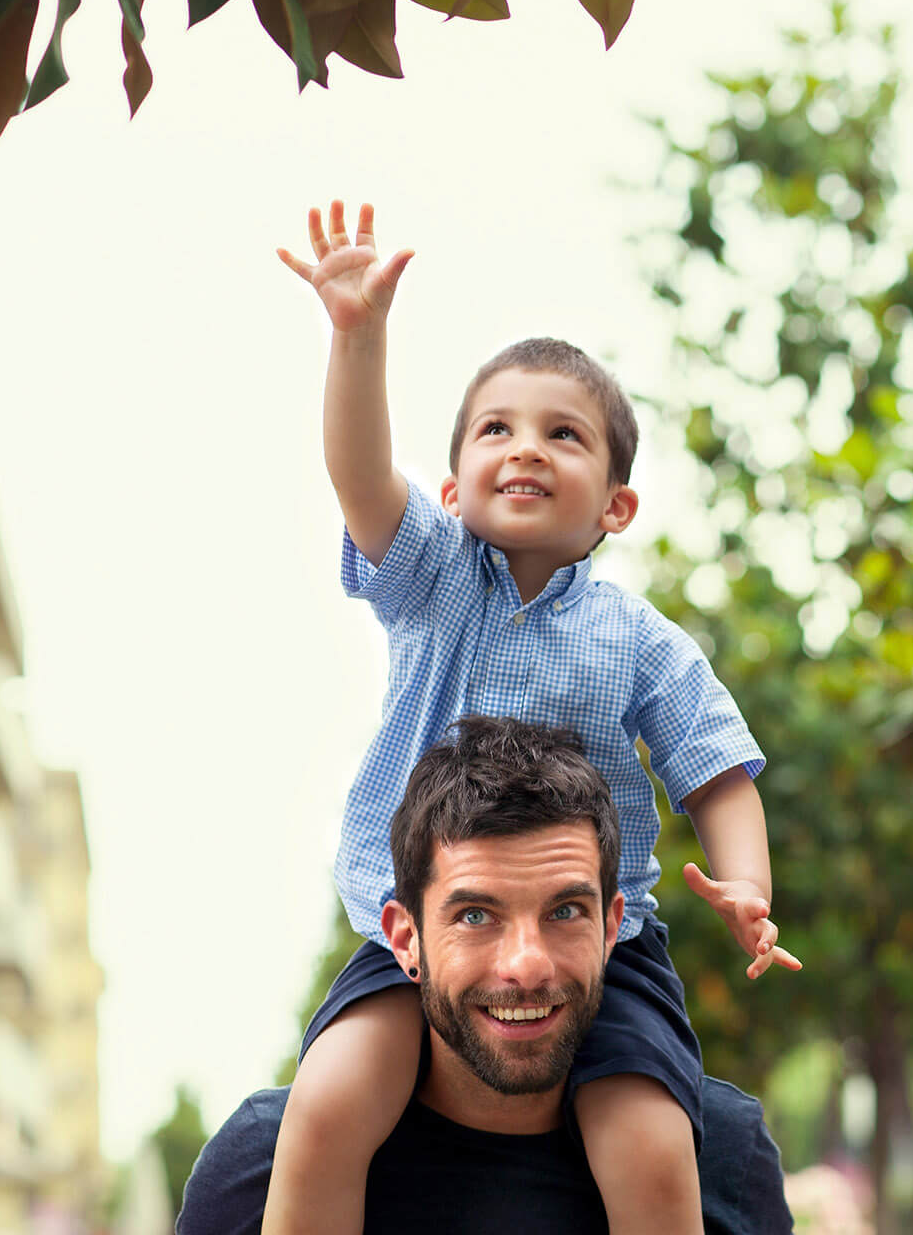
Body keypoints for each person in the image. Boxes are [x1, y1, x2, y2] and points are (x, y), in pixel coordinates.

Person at [267, 201, 801, 1235]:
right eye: (497, 430)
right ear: (455, 485)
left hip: (599, 941)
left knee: (650, 1140)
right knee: (327, 1105)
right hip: (421, 924)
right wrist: (357, 337)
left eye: (566, 434)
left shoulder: (640, 637)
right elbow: (359, 472)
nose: (528, 448)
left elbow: (716, 771)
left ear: (616, 504)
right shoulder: (431, 575)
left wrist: (747, 887)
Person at [179, 716, 792, 1234]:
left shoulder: (723, 1157)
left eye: (565, 911)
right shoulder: (261, 1166)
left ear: (612, 929)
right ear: (404, 937)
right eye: (476, 915)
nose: (526, 964)